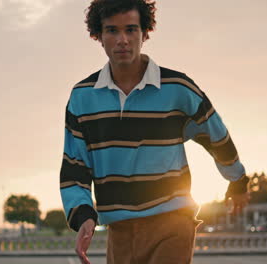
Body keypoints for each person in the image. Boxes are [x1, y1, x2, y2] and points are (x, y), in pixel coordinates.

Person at [59, 0, 249, 263]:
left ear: (145, 33)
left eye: (131, 30)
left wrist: (237, 181)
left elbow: (215, 135)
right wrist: (84, 216)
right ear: (99, 36)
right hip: (120, 230)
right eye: (112, 31)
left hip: (172, 222)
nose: (122, 39)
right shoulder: (82, 98)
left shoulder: (177, 88)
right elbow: (75, 165)